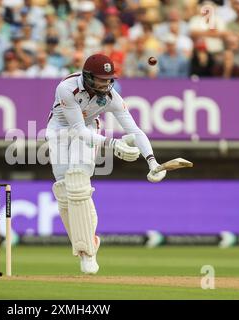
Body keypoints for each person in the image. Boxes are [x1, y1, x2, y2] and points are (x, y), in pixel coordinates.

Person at [46, 54, 166, 274]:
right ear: (88, 76)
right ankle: (89, 241)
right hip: (60, 130)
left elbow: (135, 131)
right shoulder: (67, 88)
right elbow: (77, 130)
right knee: (64, 192)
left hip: (90, 129)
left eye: (108, 79)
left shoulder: (112, 97)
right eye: (101, 79)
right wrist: (113, 144)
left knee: (77, 181)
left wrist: (152, 161)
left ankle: (86, 253)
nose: (105, 83)